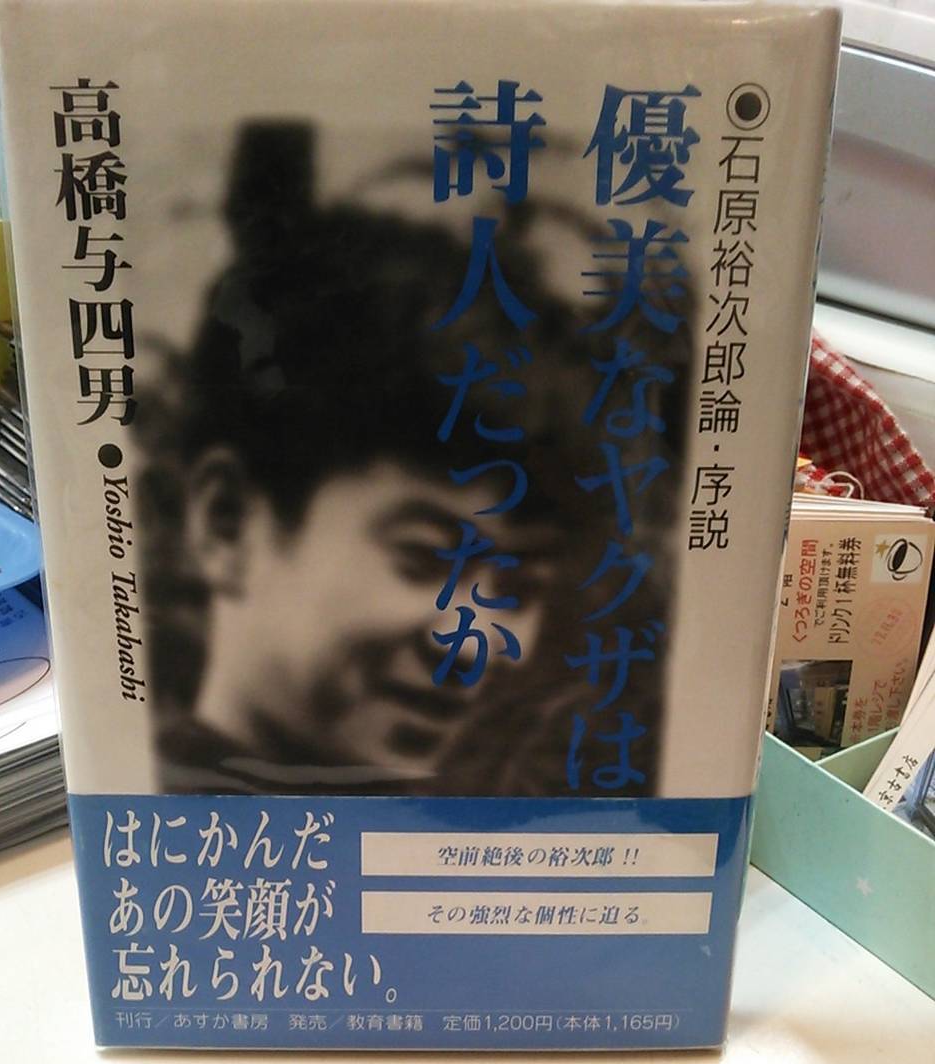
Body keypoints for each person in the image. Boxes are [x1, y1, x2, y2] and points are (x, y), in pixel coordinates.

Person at [136, 124, 687, 796]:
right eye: (426, 556)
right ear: (226, 525)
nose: (472, 642)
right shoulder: (165, 820)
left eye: (518, 589)